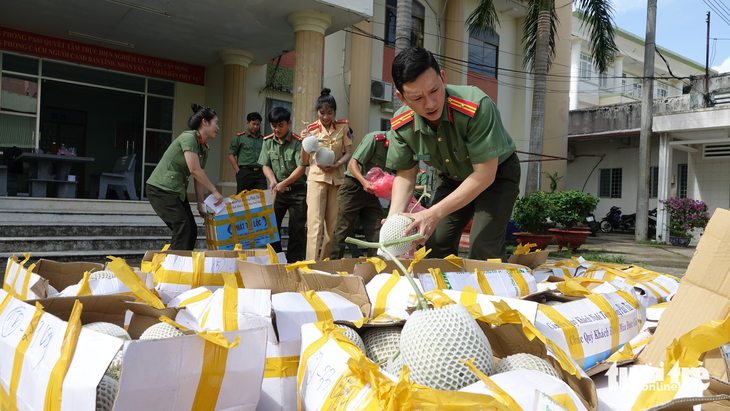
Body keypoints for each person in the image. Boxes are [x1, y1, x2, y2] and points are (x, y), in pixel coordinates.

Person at [385, 47, 521, 261]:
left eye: (434, 90)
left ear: (443, 79)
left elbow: (485, 175)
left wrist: (432, 213)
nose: (430, 104)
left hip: (496, 175)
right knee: (433, 246)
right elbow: (405, 176)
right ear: (402, 98)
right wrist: (393, 223)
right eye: (418, 97)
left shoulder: (477, 106)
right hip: (453, 178)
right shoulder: (401, 125)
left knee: (483, 248)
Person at [146, 104, 224, 250]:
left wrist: (201, 204)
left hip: (176, 191)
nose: (218, 128)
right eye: (216, 123)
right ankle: (173, 267)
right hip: (160, 189)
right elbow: (194, 170)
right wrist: (214, 191)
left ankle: (182, 266)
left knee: (191, 230)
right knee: (183, 227)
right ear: (205, 122)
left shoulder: (203, 148)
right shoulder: (189, 137)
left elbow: (199, 177)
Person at [300, 88, 353, 260]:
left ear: (334, 112)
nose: (325, 117)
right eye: (322, 113)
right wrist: (304, 143)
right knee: (315, 226)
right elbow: (304, 160)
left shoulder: (343, 127)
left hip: (337, 180)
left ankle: (325, 265)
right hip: (317, 179)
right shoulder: (311, 130)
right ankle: (310, 265)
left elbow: (349, 152)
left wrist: (337, 164)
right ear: (317, 112)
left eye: (329, 113)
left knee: (333, 228)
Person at [328, 130, 391, 259]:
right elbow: (352, 164)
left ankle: (374, 270)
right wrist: (364, 182)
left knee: (378, 231)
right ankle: (332, 267)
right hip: (353, 188)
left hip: (372, 193)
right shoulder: (374, 139)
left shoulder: (400, 149)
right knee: (342, 230)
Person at [259, 106, 309, 263]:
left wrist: (284, 183)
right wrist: (273, 180)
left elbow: (301, 168)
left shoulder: (297, 142)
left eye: (280, 125)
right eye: (273, 125)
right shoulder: (268, 142)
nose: (276, 129)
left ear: (289, 123)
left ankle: (294, 262)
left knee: (297, 229)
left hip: (297, 191)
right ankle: (276, 259)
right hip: (277, 192)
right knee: (271, 228)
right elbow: (265, 165)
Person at [228, 112, 266, 193]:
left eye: (258, 124)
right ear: (248, 123)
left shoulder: (263, 139)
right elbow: (231, 154)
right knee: (242, 198)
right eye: (253, 124)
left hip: (260, 173)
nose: (255, 127)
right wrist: (238, 171)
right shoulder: (240, 137)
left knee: (263, 196)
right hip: (245, 172)